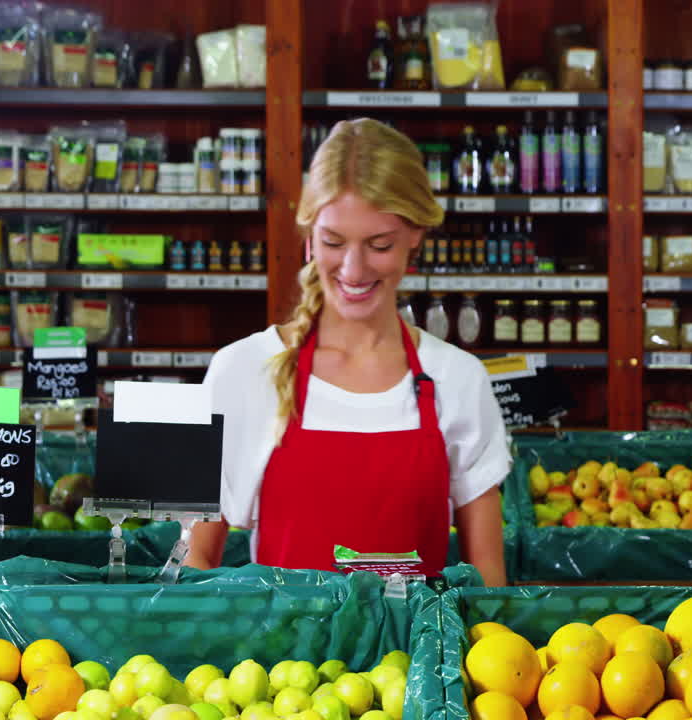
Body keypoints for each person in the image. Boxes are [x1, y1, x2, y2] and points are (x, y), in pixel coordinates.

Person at [185, 119, 511, 586]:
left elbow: (488, 582)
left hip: (417, 657)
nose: (354, 270)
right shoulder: (244, 370)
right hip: (286, 658)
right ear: (308, 236)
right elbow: (196, 568)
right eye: (333, 243)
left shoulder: (457, 378)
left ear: (416, 234)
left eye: (380, 245)